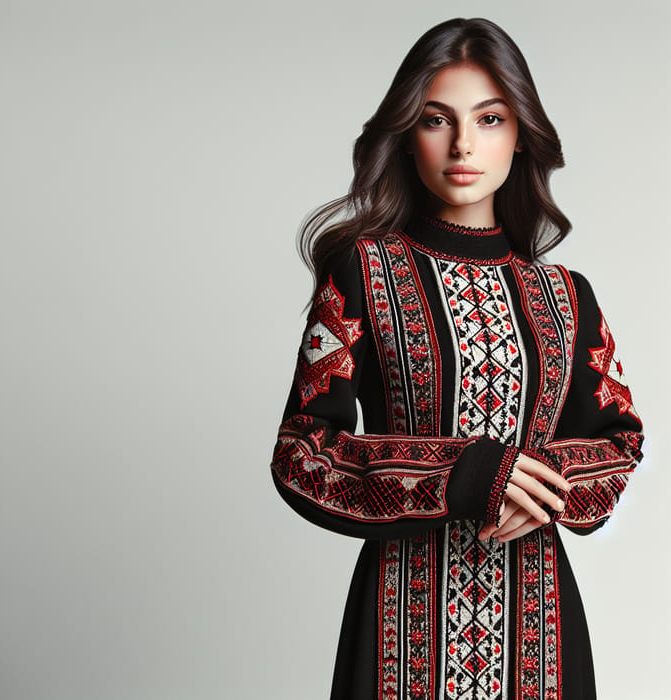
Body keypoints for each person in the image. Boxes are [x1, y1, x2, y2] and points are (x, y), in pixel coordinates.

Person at [270, 17, 643, 700]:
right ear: (408, 137)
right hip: (399, 629)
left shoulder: (565, 296)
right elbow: (302, 456)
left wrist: (545, 477)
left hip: (542, 632)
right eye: (437, 119)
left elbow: (621, 444)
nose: (464, 144)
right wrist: (468, 474)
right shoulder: (362, 271)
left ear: (522, 135)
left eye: (491, 118)